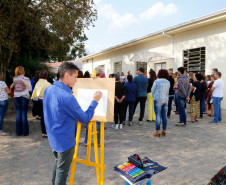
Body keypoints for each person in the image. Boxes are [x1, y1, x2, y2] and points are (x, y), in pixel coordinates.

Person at [43, 62, 102, 185]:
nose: (76, 81)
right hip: (64, 140)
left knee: (58, 162)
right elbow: (85, 118)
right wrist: (94, 101)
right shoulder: (66, 97)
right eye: (75, 77)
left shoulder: (49, 89)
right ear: (67, 75)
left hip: (53, 137)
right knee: (62, 171)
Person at [31, 70, 51, 138]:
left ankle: (43, 132)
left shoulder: (38, 83)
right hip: (46, 100)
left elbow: (35, 92)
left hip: (39, 100)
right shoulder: (48, 84)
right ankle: (47, 131)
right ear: (46, 76)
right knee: (47, 117)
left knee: (42, 117)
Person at [13, 66, 32, 136]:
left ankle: (18, 132)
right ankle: (25, 132)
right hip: (24, 97)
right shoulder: (26, 79)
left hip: (16, 97)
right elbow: (30, 89)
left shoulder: (14, 79)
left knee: (18, 114)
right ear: (22, 71)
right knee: (24, 114)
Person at [151, 69, 170, 137]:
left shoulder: (157, 81)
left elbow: (152, 90)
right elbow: (167, 92)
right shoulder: (168, 82)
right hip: (165, 100)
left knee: (158, 116)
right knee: (164, 116)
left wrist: (154, 96)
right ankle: (164, 130)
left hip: (158, 100)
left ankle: (157, 131)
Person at [0, 71, 11, 136]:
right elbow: (8, 91)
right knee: (1, 116)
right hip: (3, 100)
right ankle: (0, 131)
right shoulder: (2, 83)